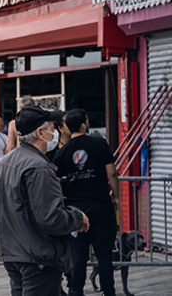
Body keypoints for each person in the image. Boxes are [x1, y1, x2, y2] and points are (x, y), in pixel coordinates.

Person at [0, 105, 89, 296]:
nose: (55, 133)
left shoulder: (7, 162)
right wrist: (78, 218)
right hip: (37, 255)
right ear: (40, 133)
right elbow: (50, 217)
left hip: (14, 252)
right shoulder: (39, 167)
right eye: (52, 128)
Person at [53, 109, 120, 296]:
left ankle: (76, 290)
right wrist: (115, 196)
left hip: (76, 211)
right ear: (84, 124)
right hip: (101, 206)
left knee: (78, 256)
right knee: (104, 255)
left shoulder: (63, 152)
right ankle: (109, 291)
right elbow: (112, 173)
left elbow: (56, 183)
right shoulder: (100, 144)